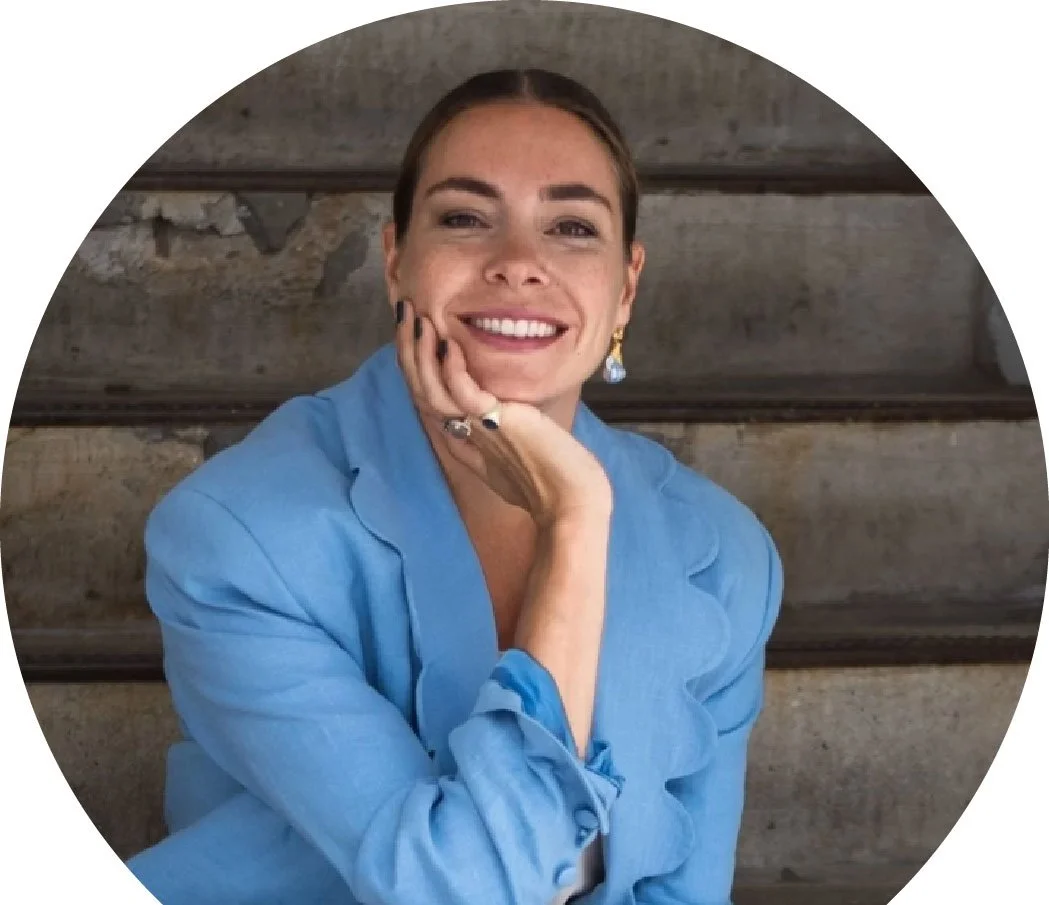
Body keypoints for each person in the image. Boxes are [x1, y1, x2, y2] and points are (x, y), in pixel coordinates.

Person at [126, 68, 783, 905]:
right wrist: (574, 522)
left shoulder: (724, 559)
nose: (519, 264)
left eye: (571, 227)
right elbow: (457, 891)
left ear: (624, 288)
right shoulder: (237, 538)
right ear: (396, 260)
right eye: (466, 218)